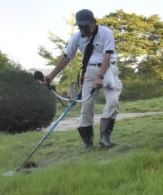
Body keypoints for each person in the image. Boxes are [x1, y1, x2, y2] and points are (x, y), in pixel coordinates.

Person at [43, 9, 122, 150]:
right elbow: (66, 57)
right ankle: (88, 143)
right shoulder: (77, 37)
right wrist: (50, 77)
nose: (83, 29)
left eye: (86, 26)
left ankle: (105, 138)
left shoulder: (106, 33)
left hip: (108, 69)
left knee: (112, 101)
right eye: (80, 26)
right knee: (86, 107)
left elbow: (107, 56)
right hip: (90, 71)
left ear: (94, 22)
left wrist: (100, 77)